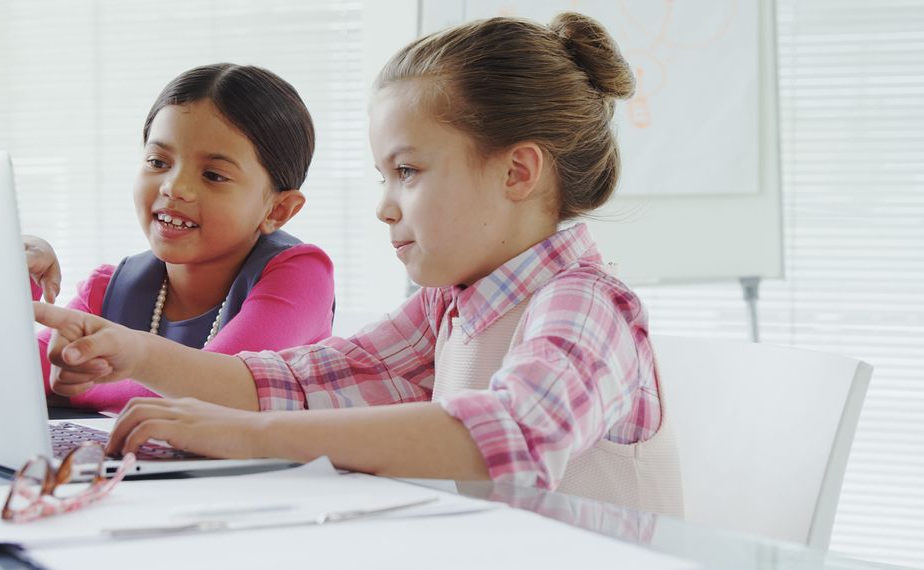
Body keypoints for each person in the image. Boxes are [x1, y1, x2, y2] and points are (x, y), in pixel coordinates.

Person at [35, 13, 682, 515]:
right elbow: (298, 383)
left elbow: (512, 436)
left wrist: (251, 436)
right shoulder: (446, 309)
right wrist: (135, 353)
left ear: (517, 171)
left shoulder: (590, 303)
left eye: (407, 172)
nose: (384, 207)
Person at [26, 63, 335, 414]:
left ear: (277, 211)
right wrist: (15, 283)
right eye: (158, 162)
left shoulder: (301, 274)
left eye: (214, 175)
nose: (174, 187)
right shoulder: (107, 289)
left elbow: (224, 391)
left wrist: (78, 386)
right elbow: (9, 377)